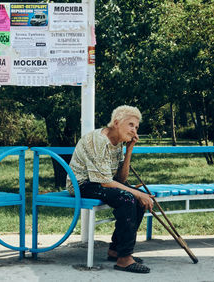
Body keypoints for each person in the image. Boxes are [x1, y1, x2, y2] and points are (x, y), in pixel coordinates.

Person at [66, 105, 154, 274]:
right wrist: (136, 193)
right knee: (128, 197)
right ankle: (124, 258)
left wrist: (129, 150)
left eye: (136, 127)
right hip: (82, 184)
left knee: (137, 198)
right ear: (116, 123)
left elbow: (121, 179)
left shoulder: (118, 142)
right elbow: (105, 182)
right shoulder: (99, 140)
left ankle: (116, 250)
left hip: (99, 182)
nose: (134, 130)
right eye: (130, 125)